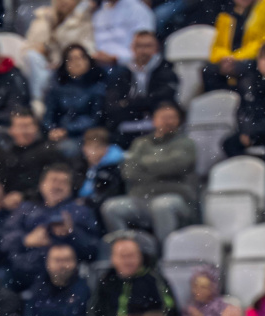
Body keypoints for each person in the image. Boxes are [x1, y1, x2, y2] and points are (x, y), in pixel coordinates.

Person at [101, 101, 197, 243]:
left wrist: (144, 163)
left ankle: (165, 256)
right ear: (154, 120)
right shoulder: (140, 143)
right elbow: (129, 172)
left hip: (176, 198)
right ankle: (128, 251)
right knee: (111, 208)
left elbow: (177, 165)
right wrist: (160, 164)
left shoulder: (186, 143)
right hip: (141, 199)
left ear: (179, 121)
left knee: (161, 206)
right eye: (163, 117)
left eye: (172, 117)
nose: (168, 121)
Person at [0, 162, 100, 292]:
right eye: (53, 180)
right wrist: (26, 240)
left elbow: (93, 249)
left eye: (63, 182)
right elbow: (3, 241)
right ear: (42, 185)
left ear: (70, 188)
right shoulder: (25, 209)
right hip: (24, 273)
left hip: (67, 279)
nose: (57, 186)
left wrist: (72, 233)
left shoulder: (81, 211)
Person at [90, 236, 178, 316]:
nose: (127, 261)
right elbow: (95, 312)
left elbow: (171, 312)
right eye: (122, 256)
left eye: (131, 256)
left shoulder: (154, 279)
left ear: (140, 257)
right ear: (113, 259)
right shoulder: (106, 280)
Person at [105, 30, 178, 148]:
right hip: (125, 128)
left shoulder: (166, 70)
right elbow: (112, 104)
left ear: (156, 48)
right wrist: (140, 105)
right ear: (132, 48)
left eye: (147, 46)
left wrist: (129, 104)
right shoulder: (122, 73)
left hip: (155, 126)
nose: (143, 50)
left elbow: (164, 97)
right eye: (139, 46)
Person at [23, 243, 91, 316]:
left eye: (66, 260)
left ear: (75, 263)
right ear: (47, 263)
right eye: (57, 260)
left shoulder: (84, 290)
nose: (62, 265)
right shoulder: (37, 290)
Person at [203, 0, 265, 92]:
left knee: (245, 70)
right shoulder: (226, 13)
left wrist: (236, 57)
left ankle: (246, 102)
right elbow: (218, 45)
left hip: (255, 59)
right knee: (208, 70)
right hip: (230, 60)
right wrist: (224, 57)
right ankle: (220, 102)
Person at [24, 0, 96, 101]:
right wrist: (44, 50)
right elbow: (30, 46)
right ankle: (37, 101)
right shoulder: (44, 18)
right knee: (32, 56)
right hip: (49, 68)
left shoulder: (83, 19)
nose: (63, 1)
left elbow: (84, 50)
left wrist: (62, 62)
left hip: (70, 68)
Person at [43, 45, 108, 153]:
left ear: (88, 60)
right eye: (71, 59)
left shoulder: (98, 84)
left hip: (86, 134)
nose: (76, 62)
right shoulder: (58, 85)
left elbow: (96, 117)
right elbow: (49, 113)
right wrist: (51, 129)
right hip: (59, 133)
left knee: (67, 149)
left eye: (81, 57)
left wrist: (68, 130)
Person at [0, 109, 60, 210]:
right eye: (20, 127)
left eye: (28, 126)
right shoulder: (6, 155)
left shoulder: (49, 152)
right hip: (6, 206)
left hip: (39, 206)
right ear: (11, 130)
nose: (24, 131)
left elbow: (53, 185)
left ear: (36, 128)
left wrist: (24, 197)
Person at [76, 127, 125, 225]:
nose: (88, 151)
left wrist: (88, 201)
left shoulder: (113, 168)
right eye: (87, 146)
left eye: (94, 147)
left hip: (97, 211)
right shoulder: (81, 165)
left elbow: (110, 193)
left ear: (105, 149)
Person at [91, 0, 156, 67]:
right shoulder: (98, 12)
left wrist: (117, 59)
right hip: (98, 63)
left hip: (127, 66)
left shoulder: (138, 10)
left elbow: (146, 48)